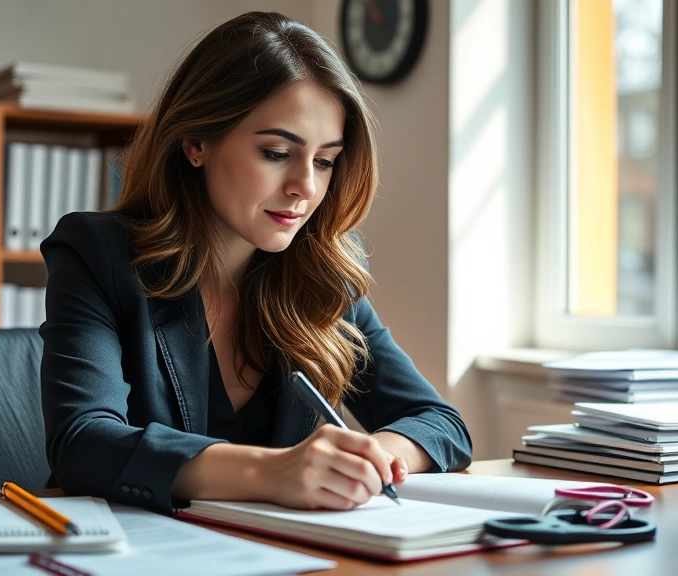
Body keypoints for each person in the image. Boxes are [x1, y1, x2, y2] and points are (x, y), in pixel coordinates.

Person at [39, 11, 472, 514]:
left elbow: (440, 422)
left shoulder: (323, 274)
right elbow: (82, 442)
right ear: (197, 143)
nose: (306, 187)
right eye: (275, 152)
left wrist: (371, 459)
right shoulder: (97, 253)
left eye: (325, 160)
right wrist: (274, 471)